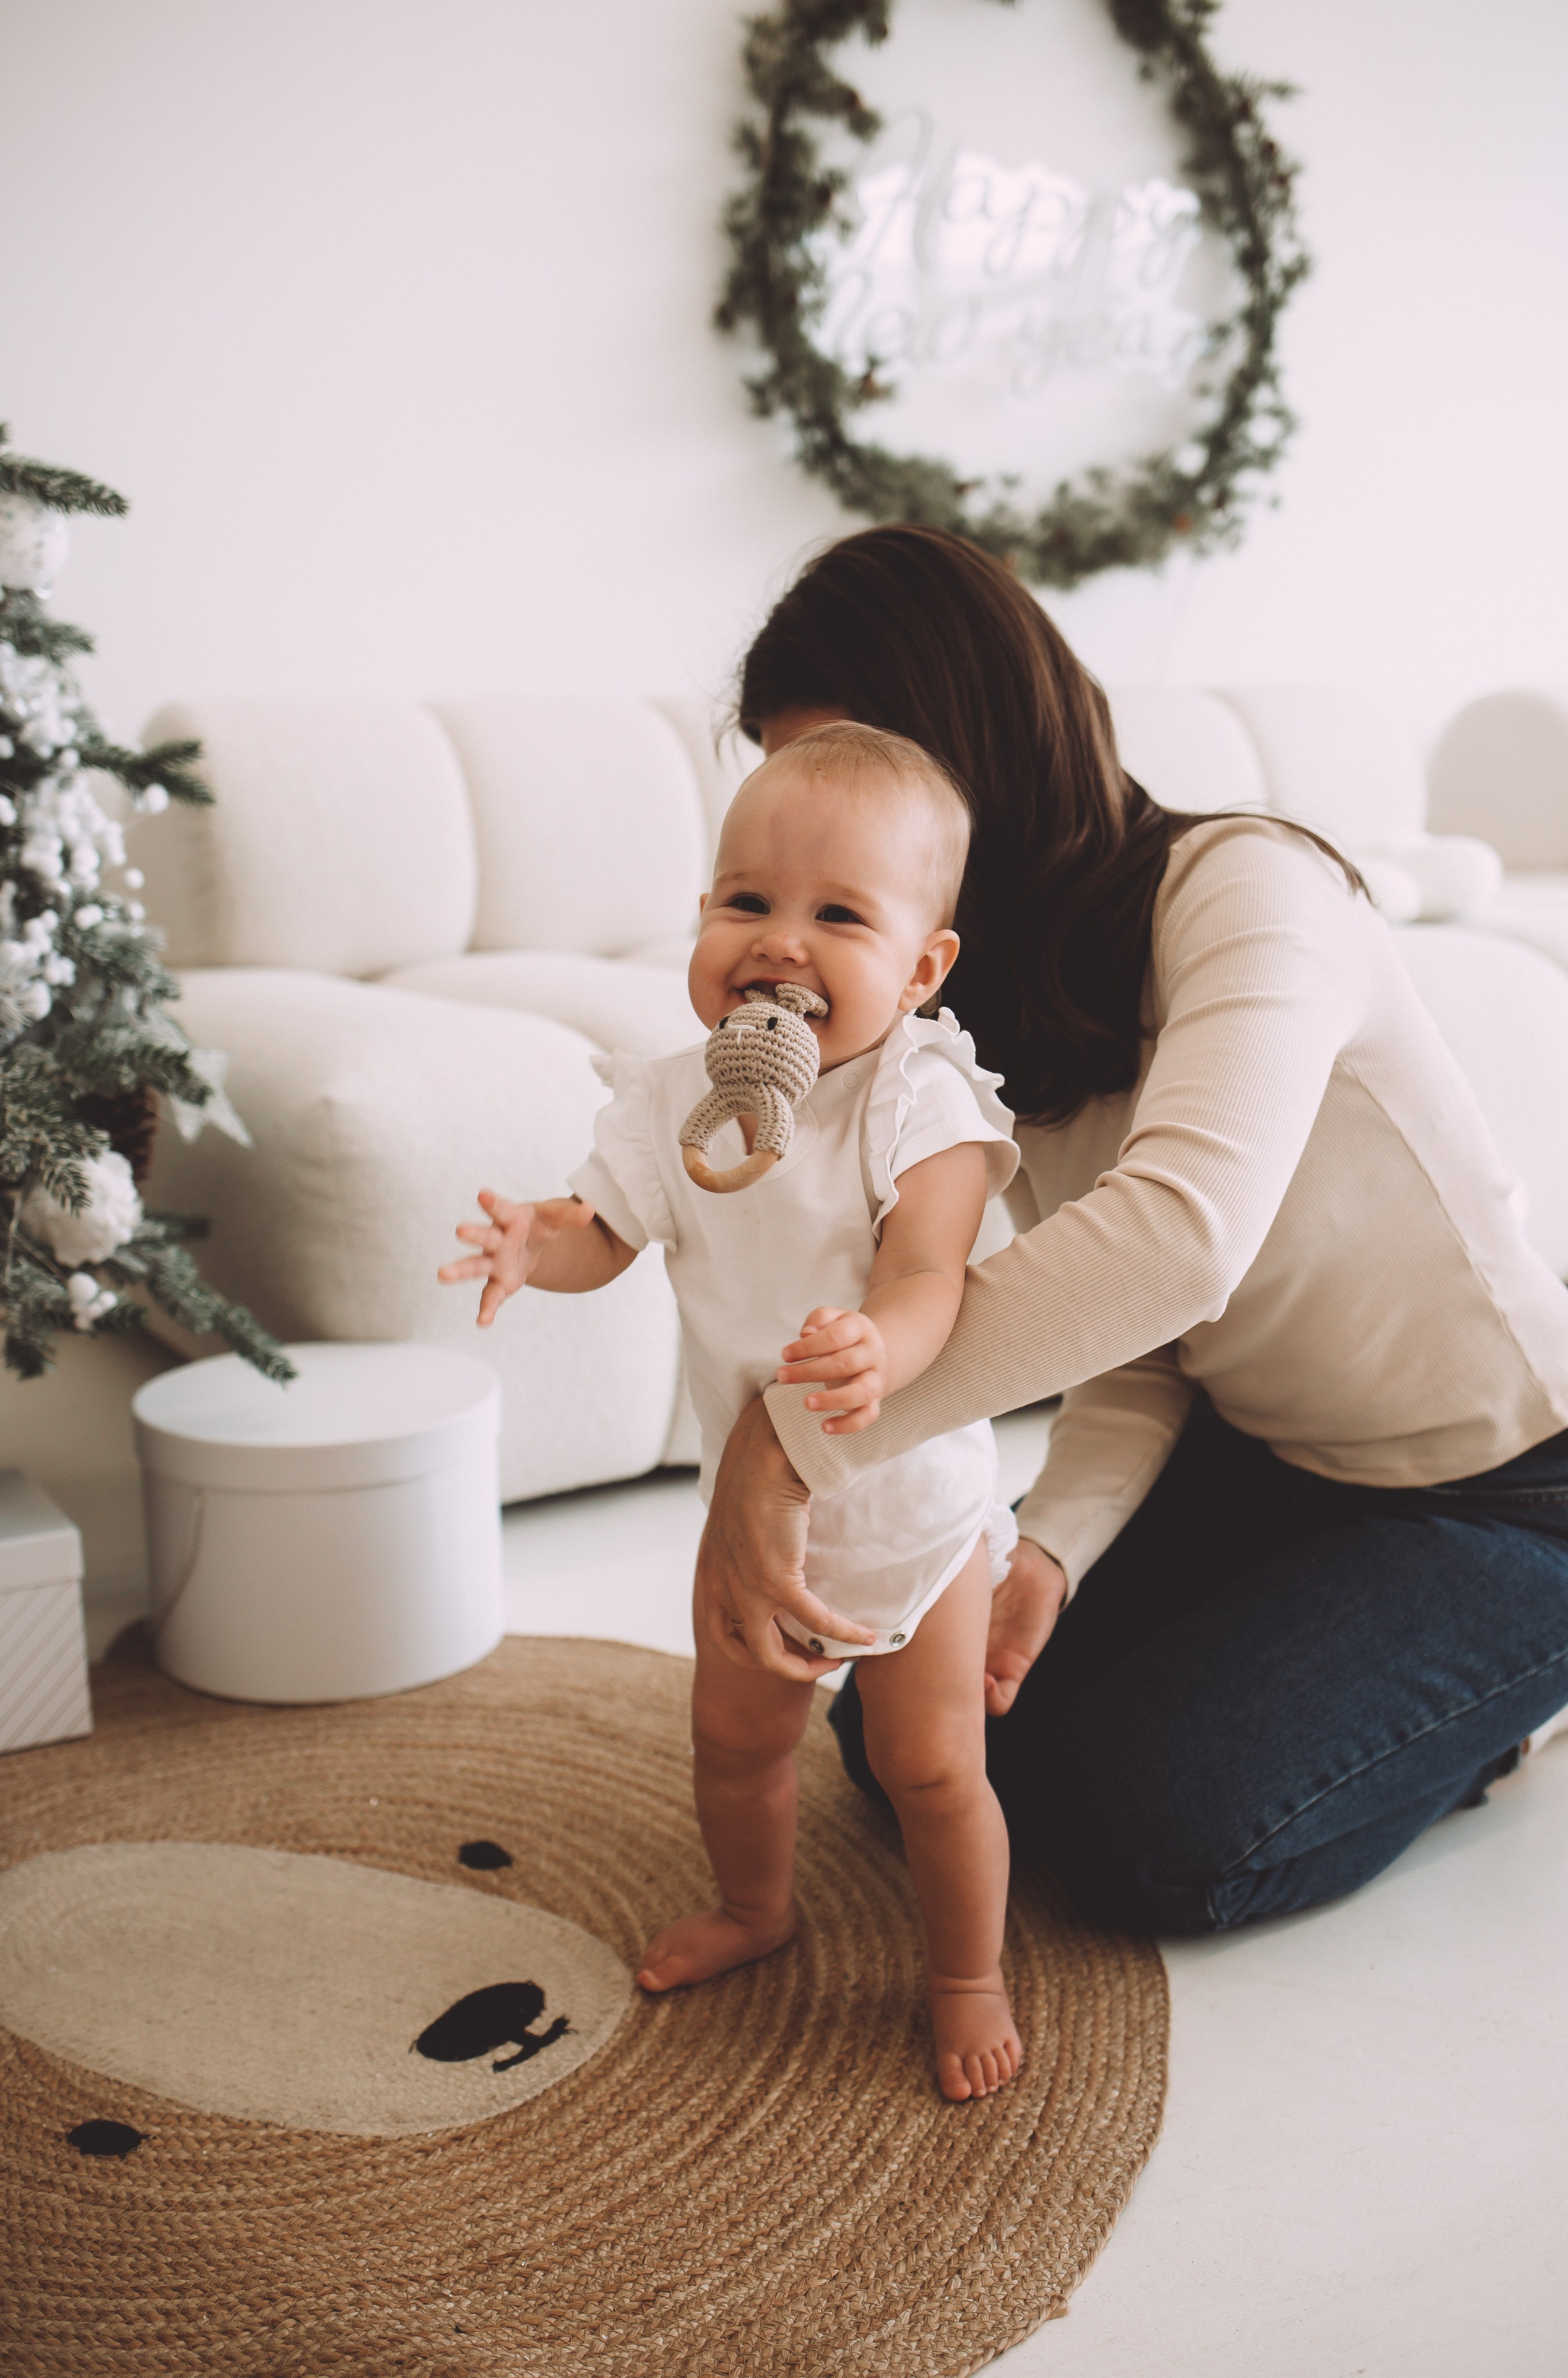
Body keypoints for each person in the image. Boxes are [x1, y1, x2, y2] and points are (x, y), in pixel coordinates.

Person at [696, 523, 1568, 1938]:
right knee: (900, 1737)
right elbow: (1144, 1339)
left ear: (967, 746)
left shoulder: (1249, 890)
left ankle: (1512, 1697)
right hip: (1270, 1452)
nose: (839, 847)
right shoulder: (989, 995)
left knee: (1156, 1841)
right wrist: (1046, 1550)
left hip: (1510, 1487)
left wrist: (792, 1440)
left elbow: (1176, 1244)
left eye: (861, 784)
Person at [441, 721, 1032, 2100]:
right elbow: (611, 1228)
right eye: (745, 902)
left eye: (837, 914)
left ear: (922, 963)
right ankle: (758, 1909)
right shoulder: (672, 1104)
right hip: (747, 1514)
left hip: (916, 1513)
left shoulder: (917, 1097)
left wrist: (873, 1346)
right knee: (738, 1741)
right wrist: (542, 1244)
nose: (778, 941)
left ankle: (965, 1973)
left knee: (929, 1767)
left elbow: (931, 1271)